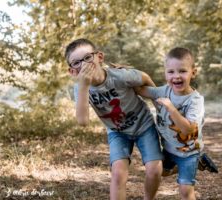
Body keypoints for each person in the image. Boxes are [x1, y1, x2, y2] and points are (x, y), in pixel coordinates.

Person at [65, 38, 163, 200]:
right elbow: (83, 121)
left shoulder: (120, 76)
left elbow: (144, 77)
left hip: (143, 125)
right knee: (118, 174)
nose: (84, 64)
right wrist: (84, 86)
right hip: (117, 132)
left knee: (154, 170)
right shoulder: (80, 88)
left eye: (88, 57)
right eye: (76, 62)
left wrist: (158, 107)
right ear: (72, 71)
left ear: (99, 57)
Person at [135, 47, 211, 200]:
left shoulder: (195, 101)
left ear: (193, 73)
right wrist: (122, 75)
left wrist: (171, 108)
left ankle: (196, 161)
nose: (176, 76)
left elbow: (188, 130)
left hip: (188, 153)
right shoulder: (163, 91)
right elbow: (141, 90)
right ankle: (199, 163)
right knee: (159, 171)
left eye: (182, 71)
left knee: (185, 191)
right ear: (165, 74)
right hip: (169, 150)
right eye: (171, 72)